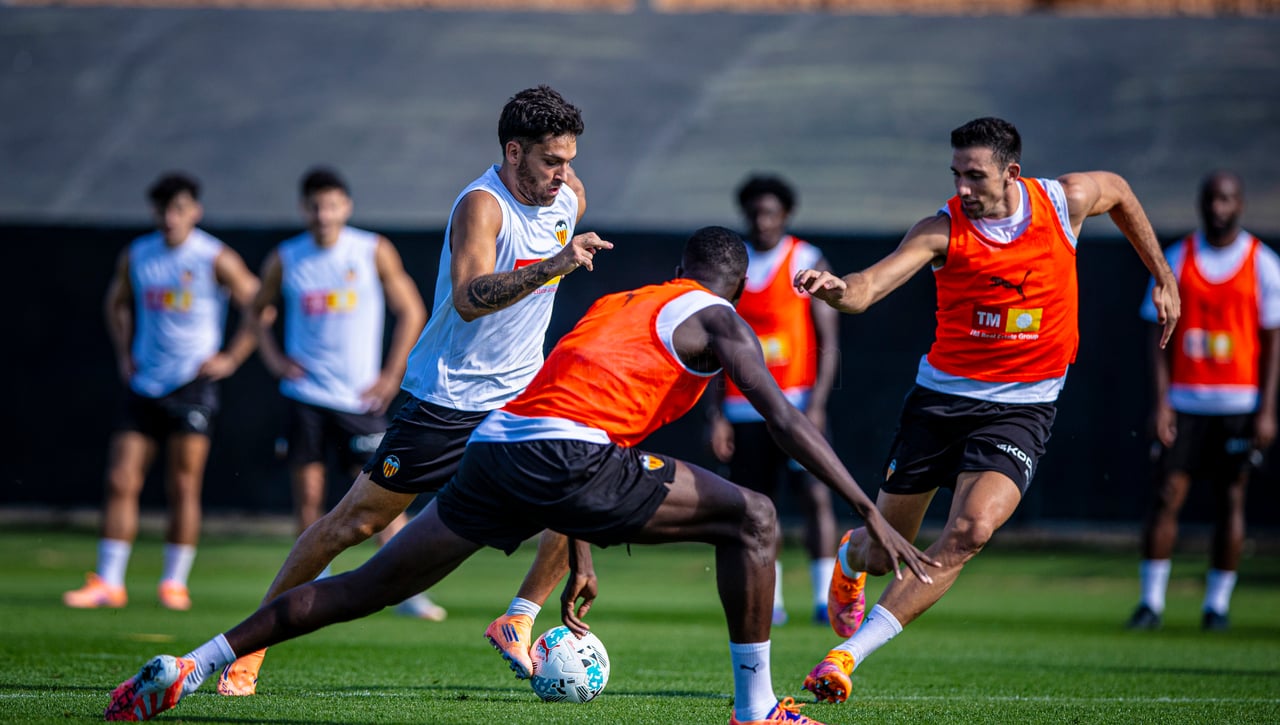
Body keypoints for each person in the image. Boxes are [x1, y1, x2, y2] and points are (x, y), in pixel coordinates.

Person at [104, 226, 938, 725]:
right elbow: (787, 419)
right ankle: (755, 709)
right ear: (738, 284)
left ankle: (196, 661)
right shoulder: (719, 316)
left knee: (366, 582)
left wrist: (578, 554)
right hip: (556, 452)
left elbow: (575, 426)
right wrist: (870, 504)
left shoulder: (624, 304)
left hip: (499, 446)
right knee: (754, 513)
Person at [215, 84, 611, 697]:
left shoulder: (569, 197)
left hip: (521, 397)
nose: (565, 174)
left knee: (584, 487)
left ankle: (519, 618)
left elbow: (564, 211)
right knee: (352, 524)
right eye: (551, 161)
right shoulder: (482, 206)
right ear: (513, 151)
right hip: (447, 401)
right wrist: (557, 264)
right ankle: (249, 647)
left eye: (570, 160)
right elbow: (470, 298)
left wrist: (562, 239)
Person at [794, 117, 1181, 704]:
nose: (963, 188)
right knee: (881, 553)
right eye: (956, 174)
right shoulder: (940, 230)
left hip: (1022, 409)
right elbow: (868, 288)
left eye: (975, 176)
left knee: (971, 530)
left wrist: (1164, 275)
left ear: (1012, 173)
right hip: (941, 404)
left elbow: (1122, 190)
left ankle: (845, 657)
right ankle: (852, 554)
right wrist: (836, 289)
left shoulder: (1064, 202)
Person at [63, 172, 260, 612]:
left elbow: (256, 303)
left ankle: (174, 582)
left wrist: (231, 357)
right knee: (120, 479)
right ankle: (109, 582)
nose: (171, 218)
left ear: (195, 211)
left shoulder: (213, 256)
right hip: (146, 383)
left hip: (192, 385)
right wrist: (124, 353)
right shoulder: (138, 255)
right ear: (154, 213)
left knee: (184, 485)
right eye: (164, 210)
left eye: (179, 209)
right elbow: (115, 304)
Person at [252, 166, 439, 619]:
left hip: (361, 400)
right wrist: (276, 362)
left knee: (383, 502)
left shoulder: (371, 250)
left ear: (346, 207)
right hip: (306, 397)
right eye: (315, 206)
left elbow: (412, 311)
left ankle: (405, 591)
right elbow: (257, 312)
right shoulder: (286, 258)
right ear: (304, 209)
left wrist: (391, 375)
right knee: (310, 498)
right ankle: (307, 590)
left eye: (332, 204)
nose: (323, 214)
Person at [1126, 171, 1280, 633]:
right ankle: (1151, 603)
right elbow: (1156, 334)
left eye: (1227, 199)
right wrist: (1162, 404)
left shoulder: (1262, 263)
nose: (1218, 208)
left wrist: (1267, 410)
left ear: (1241, 204)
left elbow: (1273, 344)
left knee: (1231, 500)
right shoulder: (1176, 259)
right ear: (1201, 203)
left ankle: (1217, 606)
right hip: (1186, 402)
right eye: (1212, 199)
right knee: (1166, 496)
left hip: (1238, 405)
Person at [708, 174, 840, 627]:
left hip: (798, 405)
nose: (763, 221)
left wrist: (818, 404)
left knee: (816, 496)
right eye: (755, 213)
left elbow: (828, 340)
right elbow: (711, 343)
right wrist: (717, 415)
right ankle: (772, 601)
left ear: (786, 215)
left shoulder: (805, 259)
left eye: (771, 213)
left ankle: (826, 601)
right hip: (744, 409)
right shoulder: (733, 265)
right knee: (756, 506)